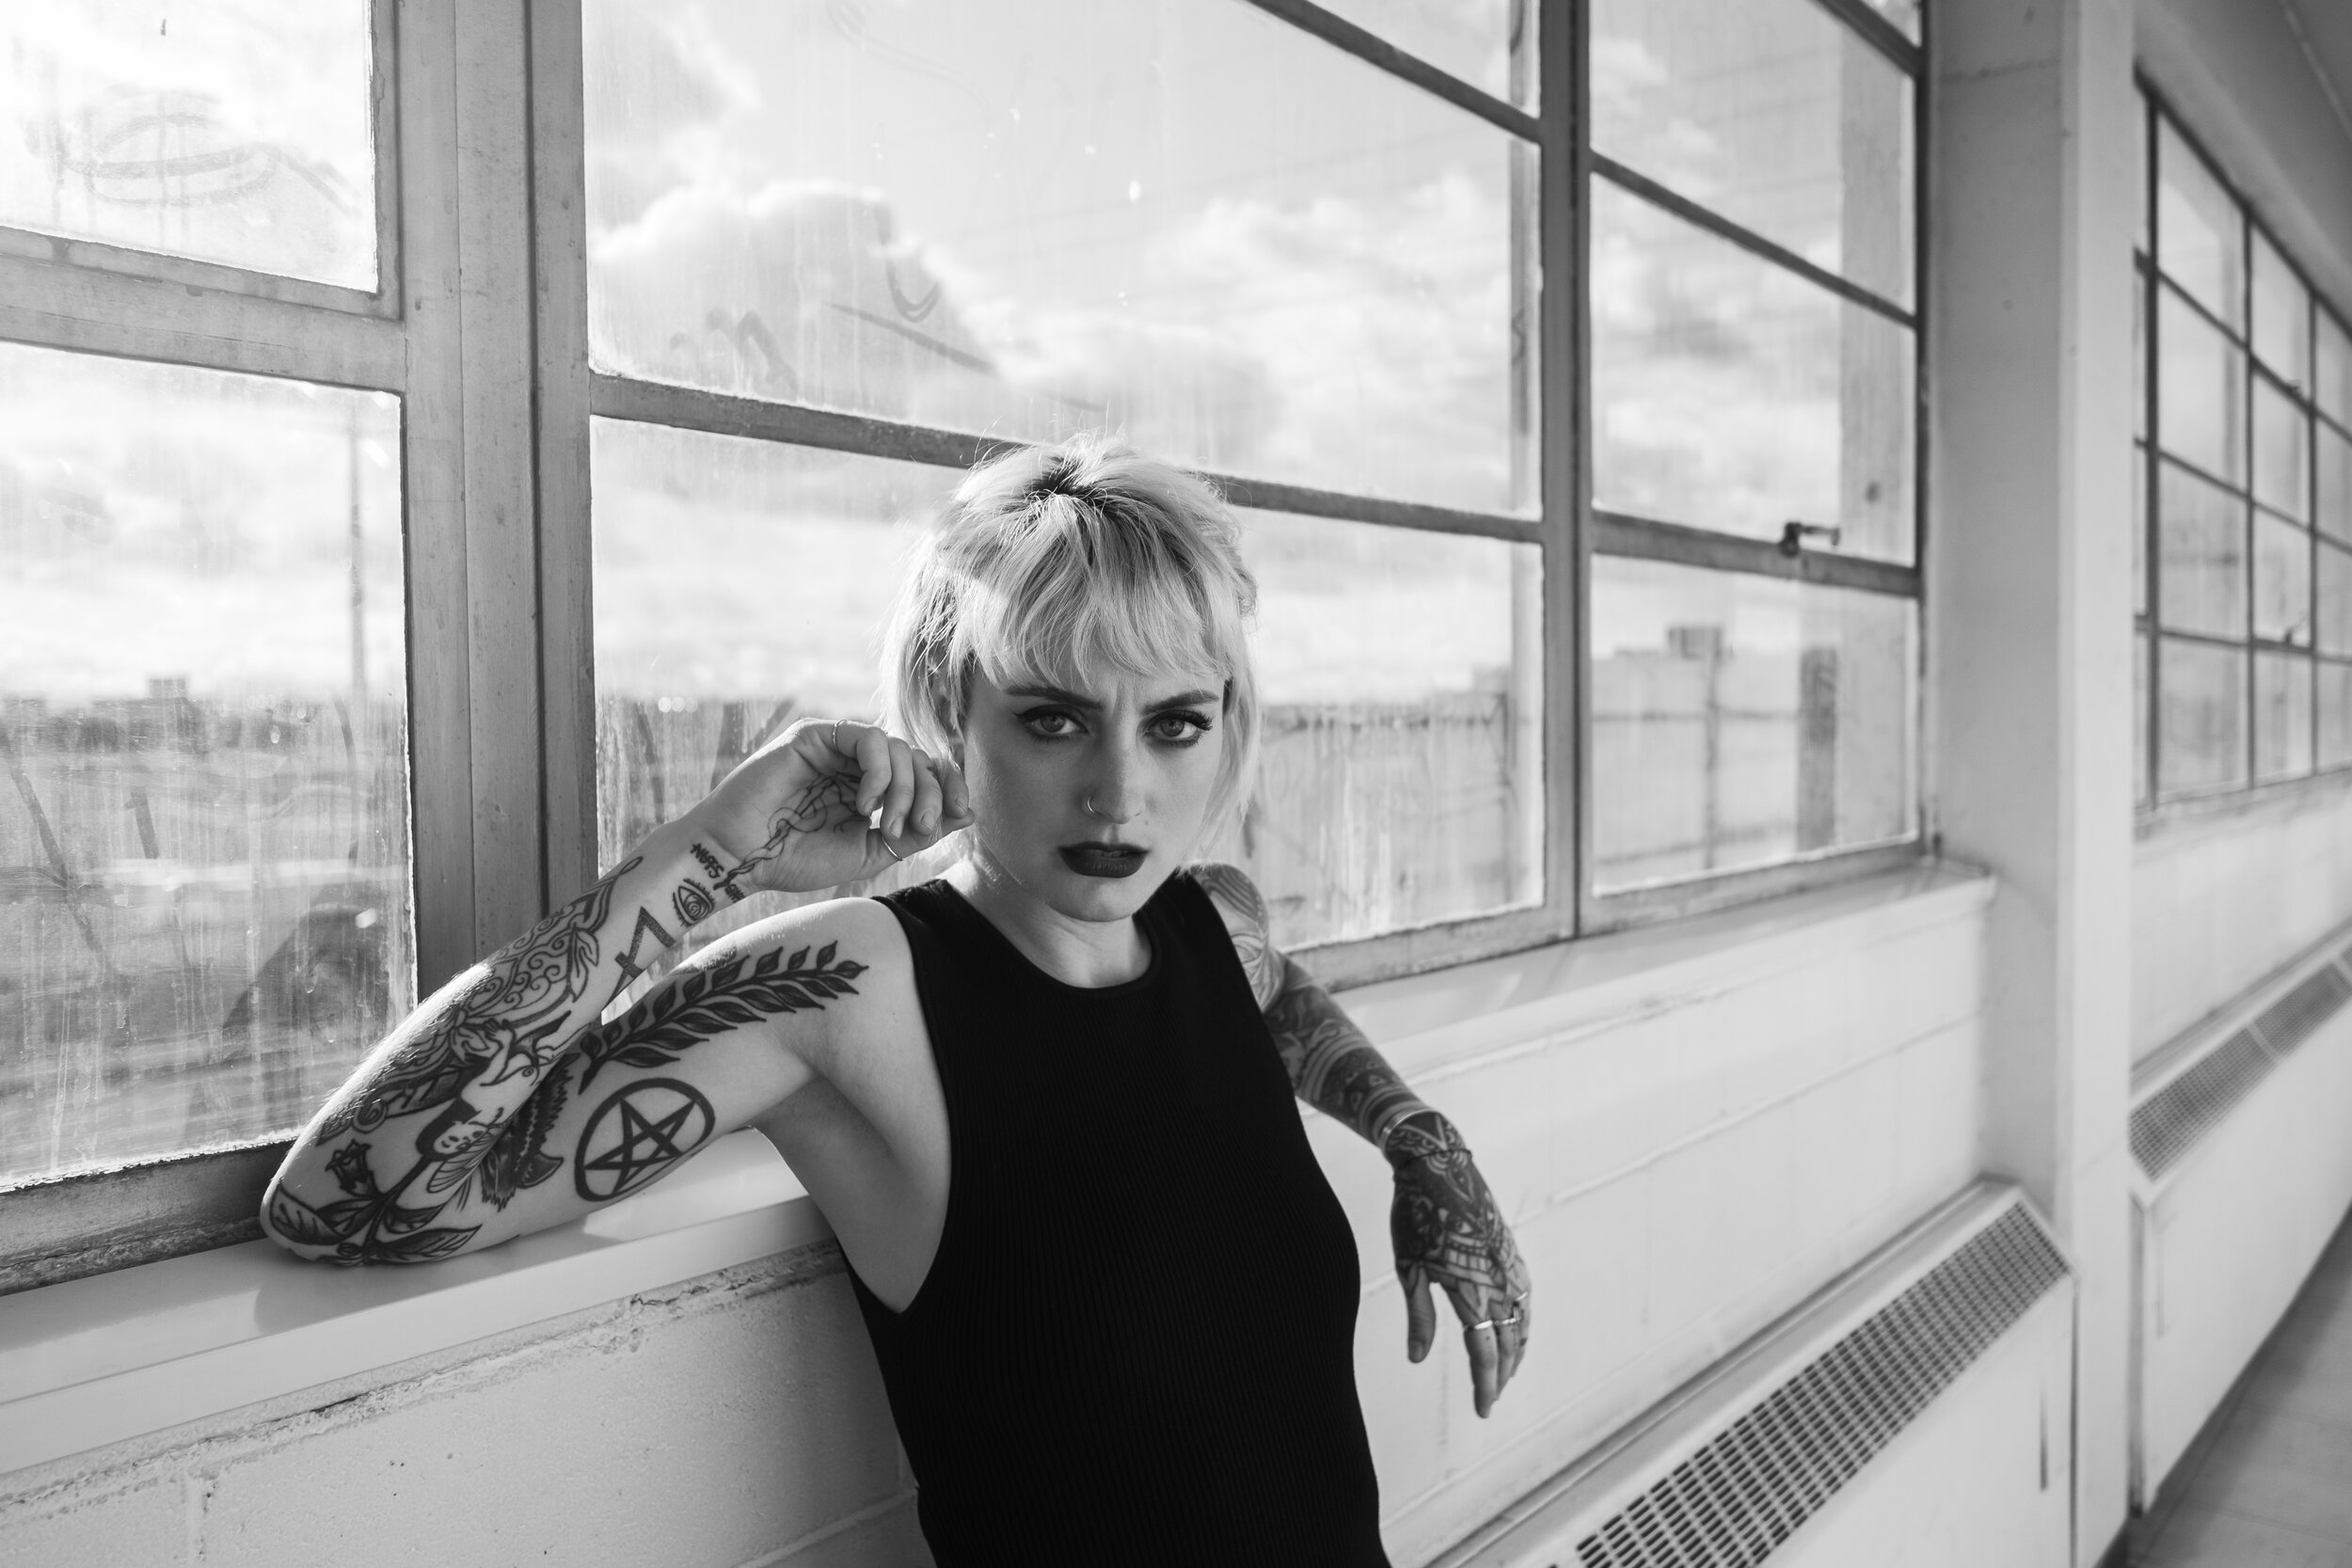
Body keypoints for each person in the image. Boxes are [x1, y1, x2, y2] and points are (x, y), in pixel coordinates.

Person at [262, 436, 1532, 1563]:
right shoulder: (847, 986)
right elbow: (346, 1203)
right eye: (1053, 719)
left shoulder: (1207, 922)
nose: (1120, 794)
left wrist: (1419, 1137)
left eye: (1176, 725)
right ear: (946, 706)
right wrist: (714, 854)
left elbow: (1280, 1004)